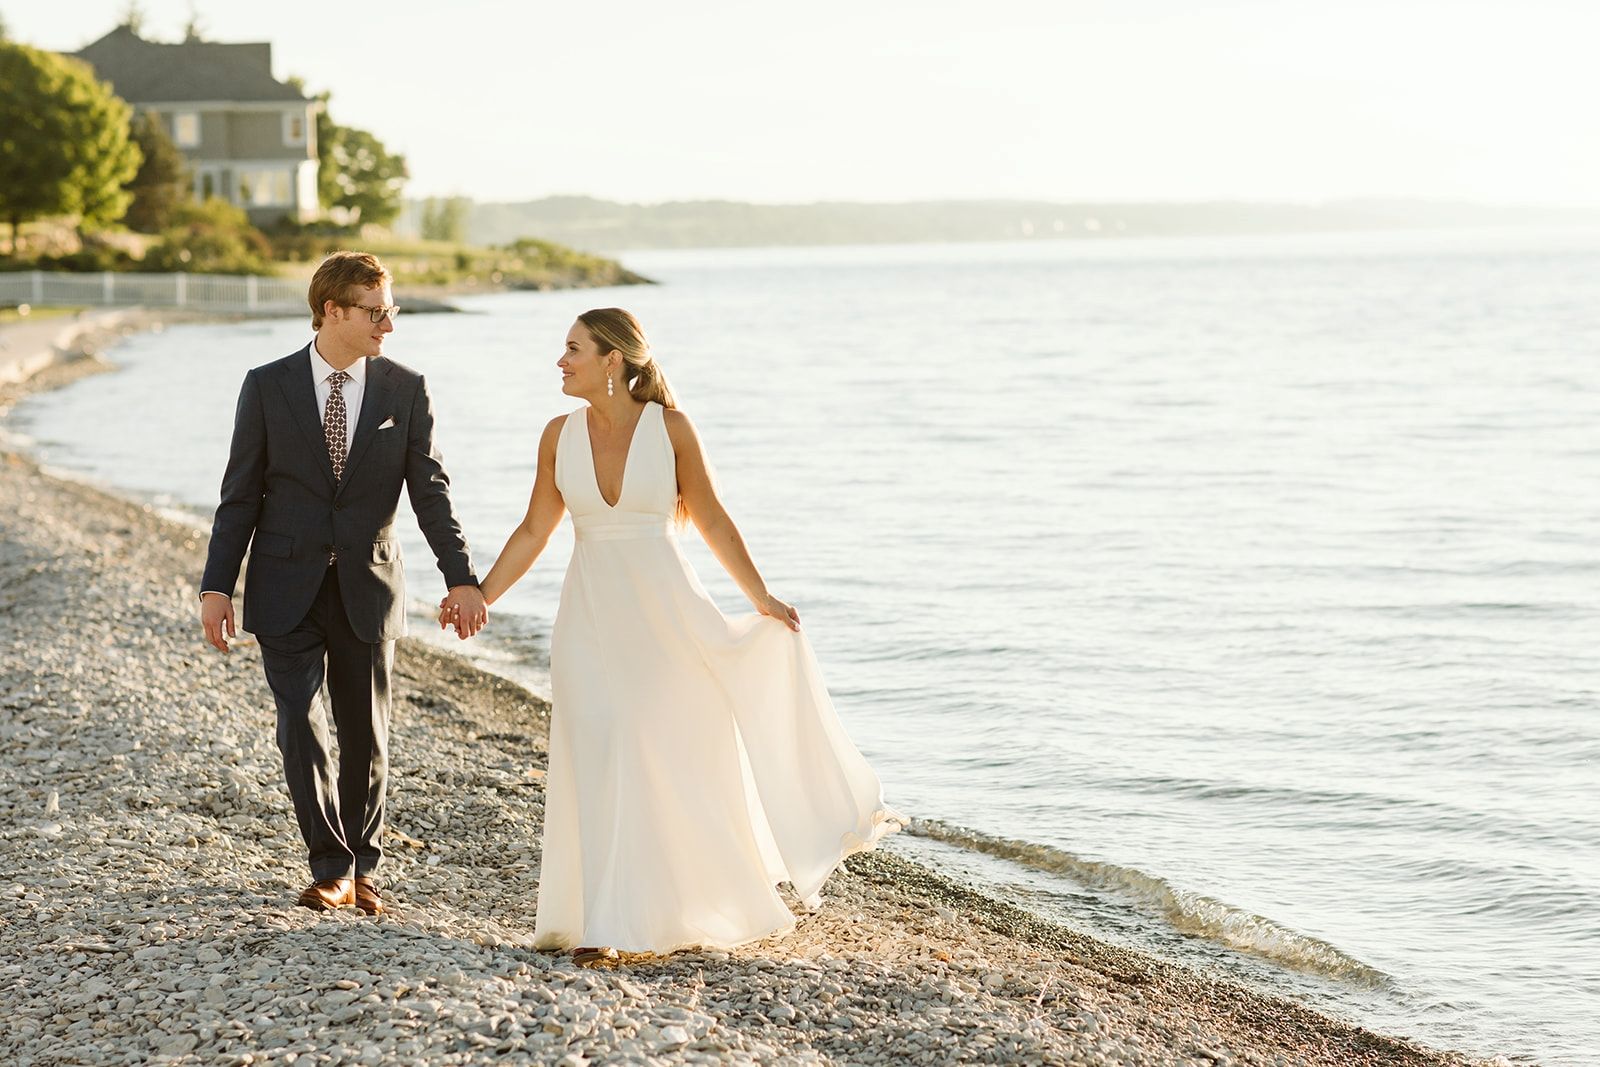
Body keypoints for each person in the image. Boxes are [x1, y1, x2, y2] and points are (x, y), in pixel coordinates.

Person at [450, 307, 906, 962]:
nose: (561, 361)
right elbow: (533, 530)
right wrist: (480, 595)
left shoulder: (671, 429)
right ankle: (602, 917)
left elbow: (713, 518)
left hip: (665, 617)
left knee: (649, 750)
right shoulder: (558, 435)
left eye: (574, 349)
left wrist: (761, 598)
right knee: (599, 751)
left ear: (613, 359)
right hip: (587, 619)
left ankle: (636, 919)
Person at [199, 251, 487, 915]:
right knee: (298, 724)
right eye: (375, 311)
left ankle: (363, 868)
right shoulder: (266, 385)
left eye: (390, 309)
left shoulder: (405, 389)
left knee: (365, 733)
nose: (389, 324)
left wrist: (462, 578)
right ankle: (330, 866)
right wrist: (217, 586)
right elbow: (239, 494)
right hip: (284, 584)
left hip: (370, 584)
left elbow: (431, 494)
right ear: (332, 310)